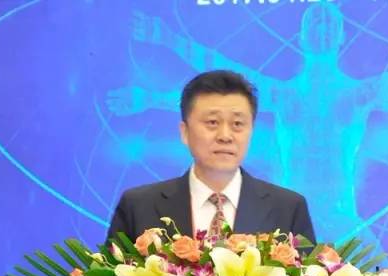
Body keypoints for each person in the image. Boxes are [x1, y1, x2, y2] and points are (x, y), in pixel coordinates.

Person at [106, 70, 315, 245]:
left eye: (237, 124)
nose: (225, 136)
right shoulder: (138, 207)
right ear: (185, 132)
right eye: (212, 122)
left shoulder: (288, 209)